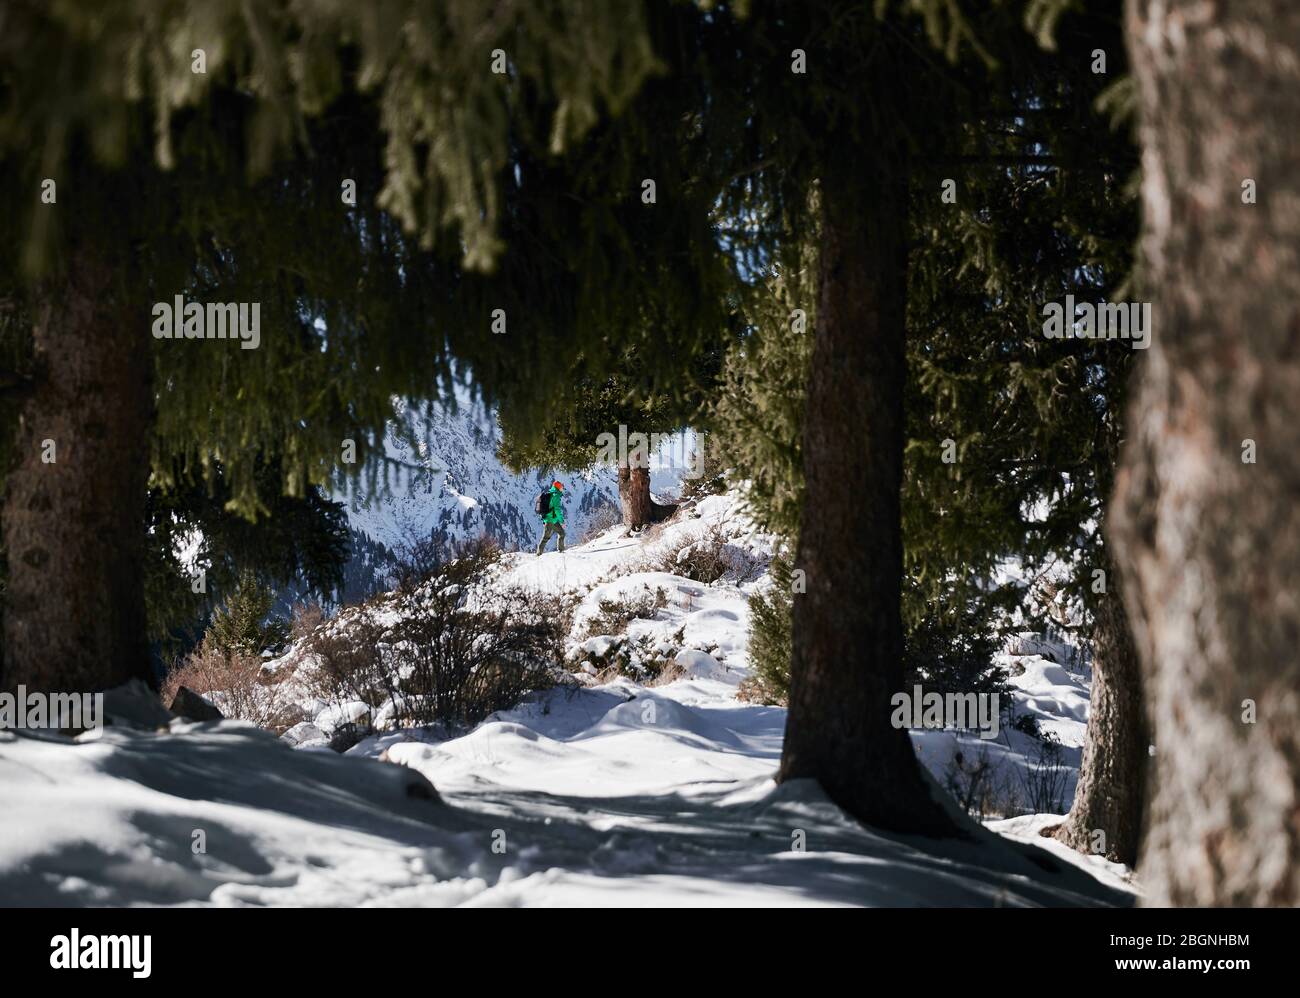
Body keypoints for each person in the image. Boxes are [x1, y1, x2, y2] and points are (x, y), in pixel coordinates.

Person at [536, 480, 566, 555]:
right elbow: (557, 510)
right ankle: (539, 553)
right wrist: (562, 521)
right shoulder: (556, 496)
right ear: (558, 487)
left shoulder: (551, 494)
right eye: (561, 487)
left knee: (561, 533)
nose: (562, 488)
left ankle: (561, 550)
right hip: (551, 520)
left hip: (551, 519)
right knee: (546, 537)